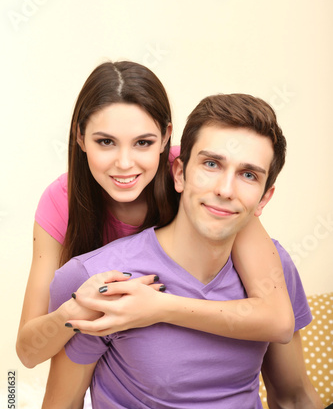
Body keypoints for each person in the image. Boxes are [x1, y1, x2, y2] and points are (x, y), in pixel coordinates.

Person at [37, 93, 331, 409]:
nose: (226, 189)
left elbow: (293, 401)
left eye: (248, 175)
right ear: (179, 173)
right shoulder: (101, 278)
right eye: (211, 164)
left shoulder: (273, 273)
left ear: (264, 198)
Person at [17, 61, 294, 370]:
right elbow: (28, 351)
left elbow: (277, 318)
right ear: (80, 137)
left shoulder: (198, 178)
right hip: (113, 367)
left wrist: (159, 308)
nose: (124, 163)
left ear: (165, 138)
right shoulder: (60, 201)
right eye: (105, 142)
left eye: (143, 143)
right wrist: (74, 309)